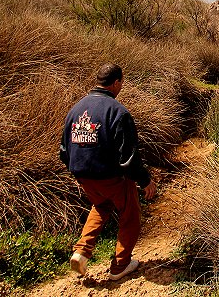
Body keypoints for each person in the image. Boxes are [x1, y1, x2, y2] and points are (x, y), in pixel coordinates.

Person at [59, 63, 157, 280]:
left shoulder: (76, 109)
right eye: (122, 82)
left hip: (83, 176)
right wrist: (144, 180)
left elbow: (64, 150)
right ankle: (120, 266)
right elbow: (128, 156)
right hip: (112, 177)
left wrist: (78, 169)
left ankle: (82, 252)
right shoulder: (118, 112)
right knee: (130, 215)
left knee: (101, 205)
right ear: (116, 83)